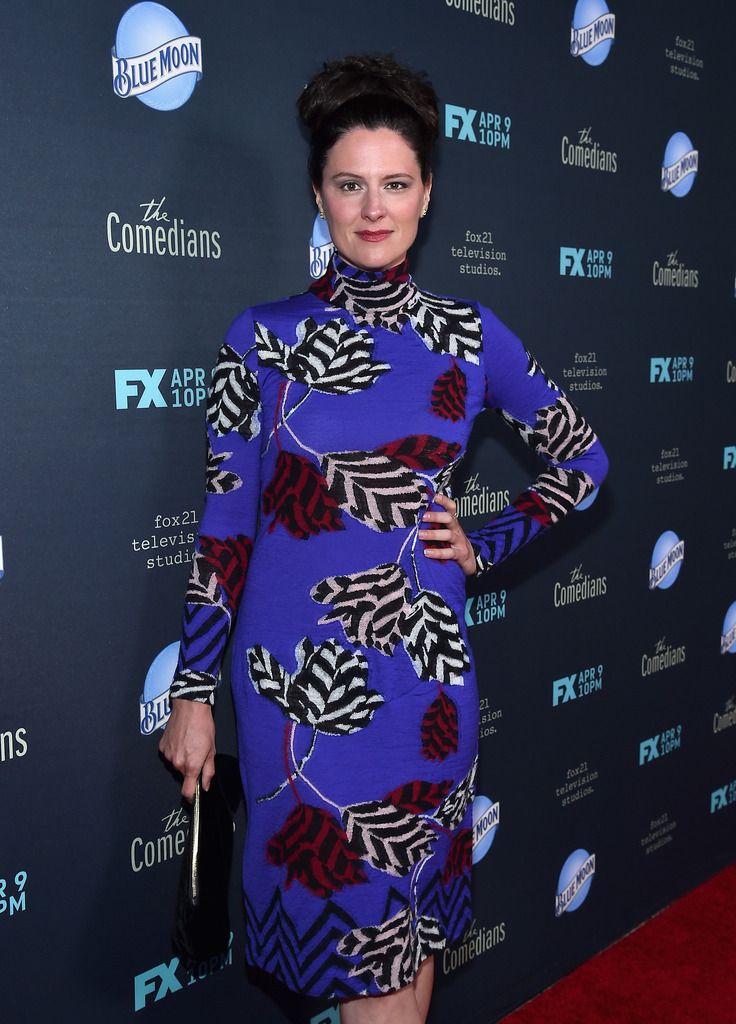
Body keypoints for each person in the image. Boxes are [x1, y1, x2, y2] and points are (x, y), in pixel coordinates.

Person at [159, 54, 608, 1024]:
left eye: (394, 183)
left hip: (423, 688)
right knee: (362, 967)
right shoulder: (261, 341)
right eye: (349, 183)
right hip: (298, 698)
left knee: (406, 956)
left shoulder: (468, 334)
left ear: (427, 192)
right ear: (317, 191)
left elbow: (585, 460)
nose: (372, 207)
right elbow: (225, 525)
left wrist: (487, 537)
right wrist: (193, 688)